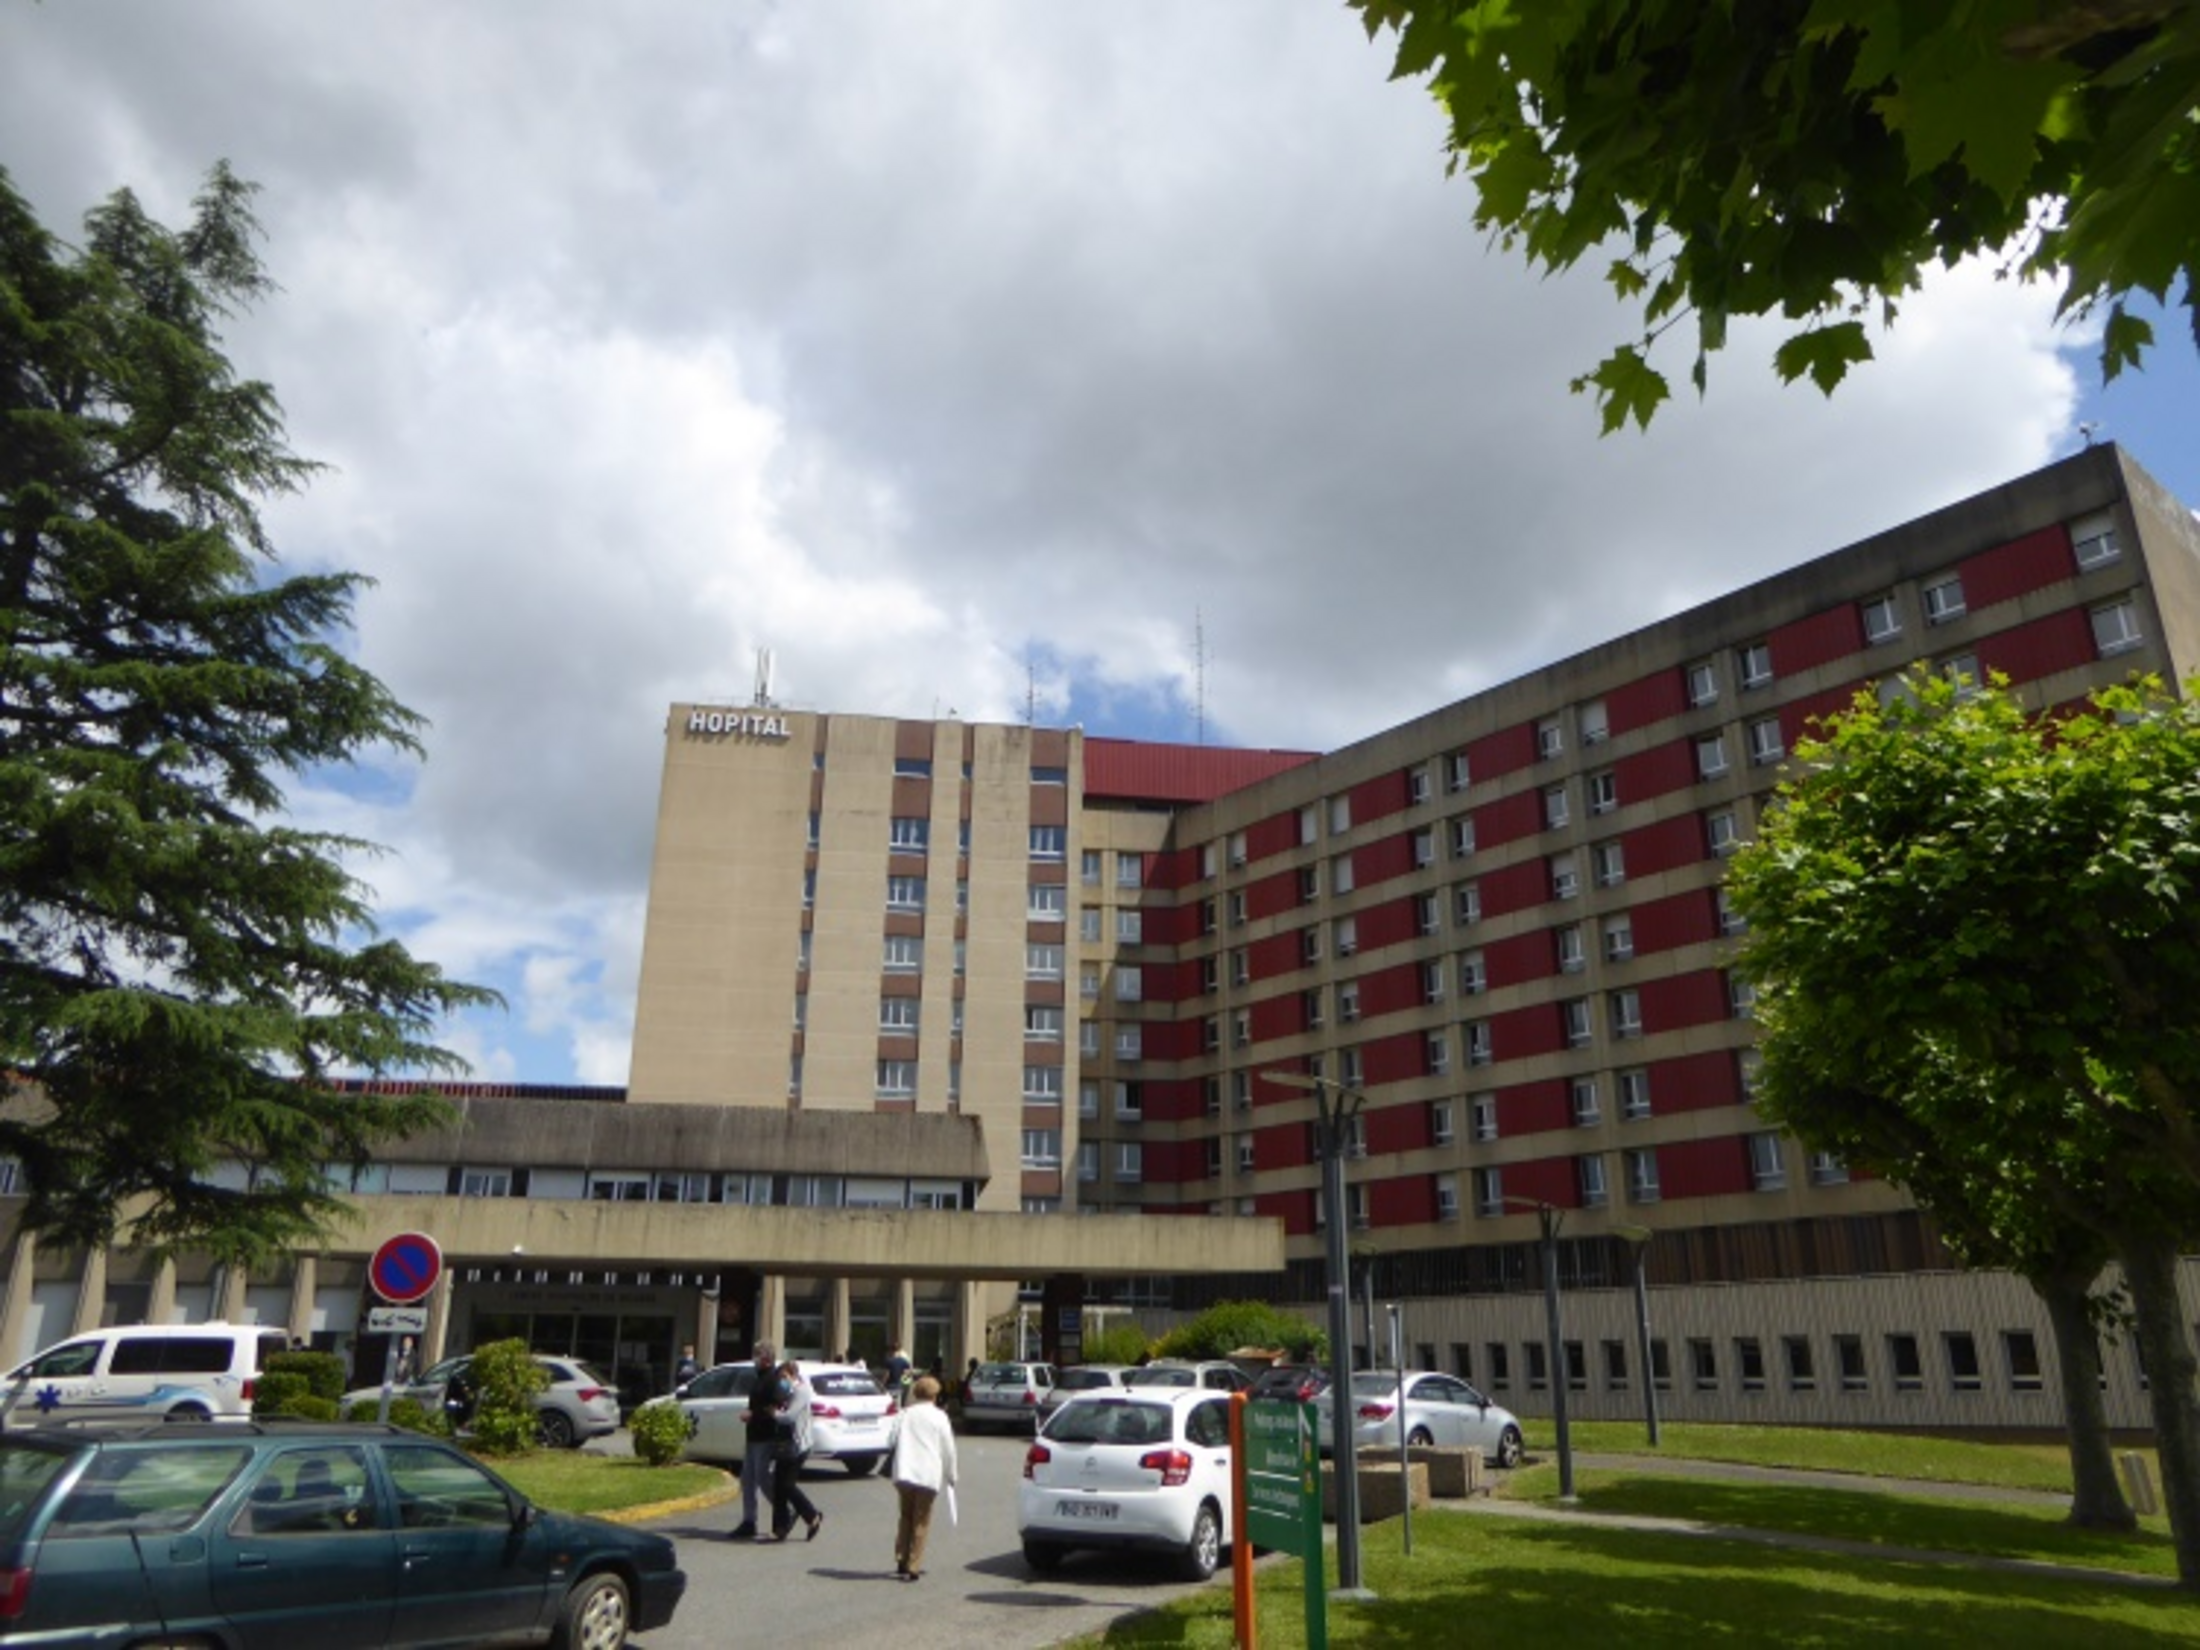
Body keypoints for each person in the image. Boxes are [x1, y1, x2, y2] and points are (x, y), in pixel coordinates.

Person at [890, 1375, 958, 1582]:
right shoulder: (940, 1417)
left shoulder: (904, 1414)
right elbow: (948, 1449)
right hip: (928, 1474)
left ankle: (901, 1558)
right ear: (935, 1395)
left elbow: (890, 1439)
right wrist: (951, 1474)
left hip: (904, 1472)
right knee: (921, 1520)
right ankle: (914, 1565)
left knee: (905, 1516)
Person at [728, 1341, 781, 1541]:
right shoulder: (759, 1378)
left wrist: (754, 1414)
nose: (755, 1359)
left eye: (757, 1355)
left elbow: (775, 1407)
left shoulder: (773, 1379)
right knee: (747, 1479)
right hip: (753, 1435)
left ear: (766, 1358)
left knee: (762, 1477)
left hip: (765, 1436)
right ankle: (749, 1521)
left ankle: (784, 1509)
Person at [768, 1360, 823, 1543]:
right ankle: (780, 1527)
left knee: (787, 1485)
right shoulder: (787, 1392)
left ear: (793, 1375)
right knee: (778, 1486)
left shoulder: (801, 1391)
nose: (782, 1381)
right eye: (780, 1378)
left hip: (799, 1445)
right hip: (785, 1444)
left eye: (785, 1377)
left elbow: (789, 1416)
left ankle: (812, 1516)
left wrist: (774, 1414)